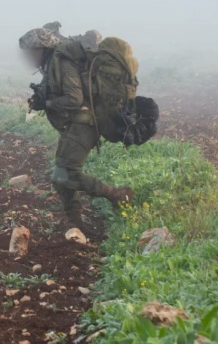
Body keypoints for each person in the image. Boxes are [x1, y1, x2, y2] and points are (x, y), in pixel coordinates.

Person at [19, 28, 133, 226]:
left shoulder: (61, 62)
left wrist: (47, 104)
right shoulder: (50, 64)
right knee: (60, 177)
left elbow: (74, 98)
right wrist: (41, 100)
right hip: (75, 124)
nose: (27, 57)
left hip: (85, 123)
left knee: (66, 174)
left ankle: (117, 195)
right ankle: (76, 223)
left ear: (42, 49)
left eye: (30, 52)